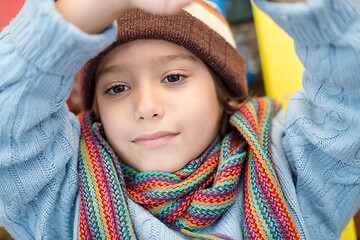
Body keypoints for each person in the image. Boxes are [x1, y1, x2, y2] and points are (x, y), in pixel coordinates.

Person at [0, 0, 359, 239]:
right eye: (117, 87)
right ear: (95, 110)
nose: (146, 106)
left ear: (223, 92)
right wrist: (89, 9)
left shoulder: (293, 169)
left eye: (173, 77)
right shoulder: (63, 200)